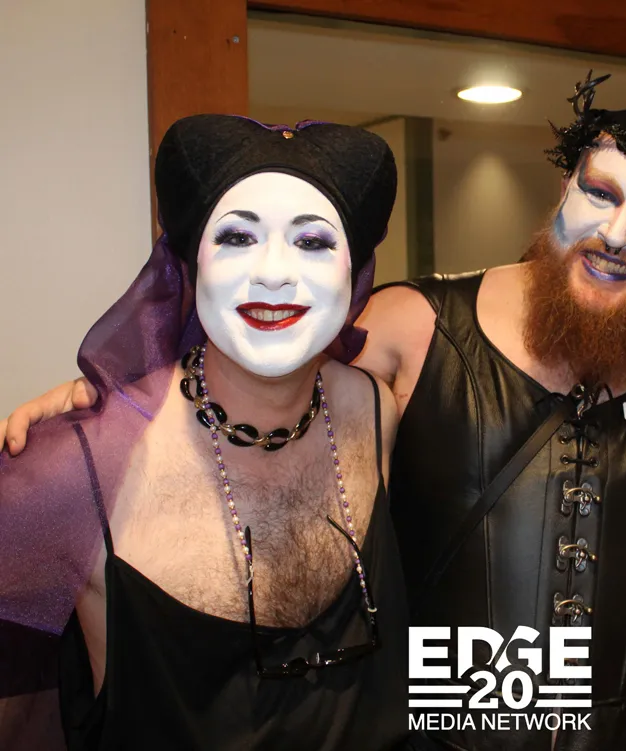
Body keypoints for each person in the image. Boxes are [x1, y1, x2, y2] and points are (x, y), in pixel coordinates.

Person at [3, 75, 626, 751]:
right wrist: (121, 394)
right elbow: (271, 351)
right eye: (599, 193)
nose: (616, 232)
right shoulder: (412, 327)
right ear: (559, 198)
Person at [0, 115, 409, 751]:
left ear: (356, 272)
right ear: (189, 264)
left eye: (312, 242)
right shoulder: (70, 467)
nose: (273, 273)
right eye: (238, 237)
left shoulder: (374, 411)